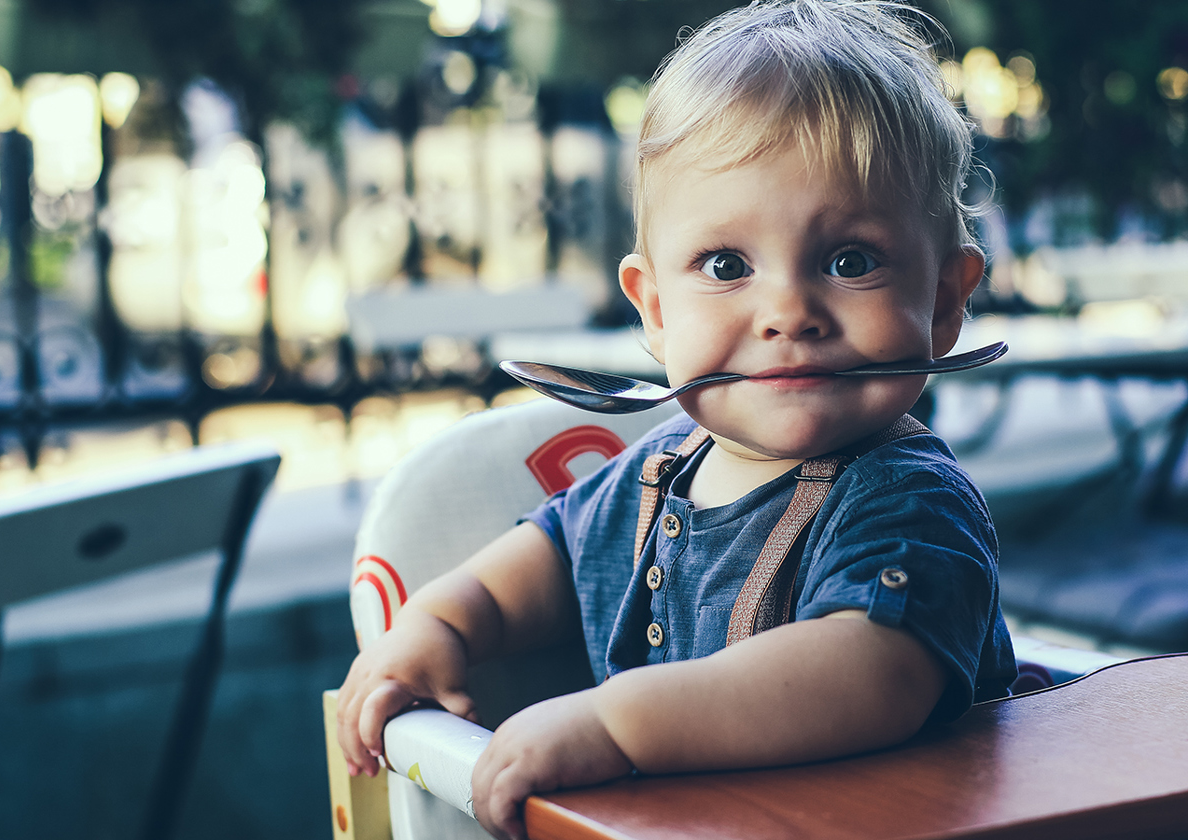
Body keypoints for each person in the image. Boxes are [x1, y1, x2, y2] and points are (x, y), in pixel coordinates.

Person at [337, 1, 1017, 837]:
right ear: (655, 311)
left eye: (851, 261)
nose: (789, 311)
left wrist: (615, 723)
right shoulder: (655, 474)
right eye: (726, 264)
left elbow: (872, 672)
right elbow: (536, 566)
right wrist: (437, 626)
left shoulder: (906, 500)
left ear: (946, 299)